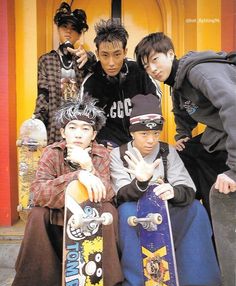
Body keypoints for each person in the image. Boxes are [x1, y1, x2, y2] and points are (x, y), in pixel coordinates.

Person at [110, 93, 221, 286]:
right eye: (144, 134)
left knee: (195, 209)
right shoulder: (119, 154)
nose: (151, 140)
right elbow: (120, 195)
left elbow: (187, 187)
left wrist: (173, 191)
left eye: (156, 133)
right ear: (132, 132)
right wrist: (142, 182)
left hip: (166, 208)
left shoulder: (167, 151)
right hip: (135, 210)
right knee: (126, 213)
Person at [10, 96, 123, 286]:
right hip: (58, 219)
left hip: (91, 220)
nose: (78, 134)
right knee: (37, 213)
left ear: (93, 134)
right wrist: (77, 176)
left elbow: (106, 193)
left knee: (109, 210)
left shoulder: (102, 154)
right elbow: (37, 192)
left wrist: (88, 167)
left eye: (85, 129)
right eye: (72, 127)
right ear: (63, 132)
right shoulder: (51, 153)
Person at [134, 32, 236, 216]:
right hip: (222, 133)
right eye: (147, 66)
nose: (153, 69)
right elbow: (183, 112)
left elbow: (233, 106)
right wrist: (183, 135)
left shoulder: (199, 71)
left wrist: (234, 170)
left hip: (231, 135)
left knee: (205, 160)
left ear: (171, 54)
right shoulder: (178, 85)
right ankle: (202, 214)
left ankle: (219, 213)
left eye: (155, 59)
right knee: (183, 152)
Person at [80, 19, 161, 148]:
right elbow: (85, 122)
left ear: (125, 52)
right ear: (97, 54)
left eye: (117, 54)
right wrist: (100, 144)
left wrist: (142, 137)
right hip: (106, 149)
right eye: (105, 55)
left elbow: (155, 102)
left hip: (140, 145)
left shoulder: (139, 72)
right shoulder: (91, 82)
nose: (111, 63)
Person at [34, 2, 96, 144]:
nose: (68, 32)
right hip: (54, 126)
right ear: (58, 28)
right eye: (64, 27)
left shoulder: (85, 58)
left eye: (74, 29)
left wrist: (89, 60)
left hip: (80, 126)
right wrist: (37, 123)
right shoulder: (46, 60)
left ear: (79, 34)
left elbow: (97, 82)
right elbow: (43, 95)